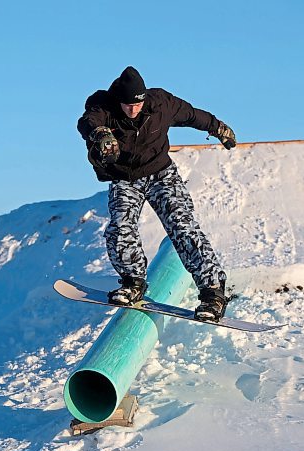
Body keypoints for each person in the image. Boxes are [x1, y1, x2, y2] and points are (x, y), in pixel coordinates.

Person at [77, 66, 236, 321]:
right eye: (127, 105)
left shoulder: (160, 102)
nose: (133, 110)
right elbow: (88, 120)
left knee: (182, 226)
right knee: (120, 226)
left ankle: (213, 293)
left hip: (162, 175)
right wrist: (101, 133)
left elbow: (193, 115)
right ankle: (133, 282)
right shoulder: (103, 104)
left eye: (137, 104)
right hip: (124, 179)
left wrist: (219, 128)